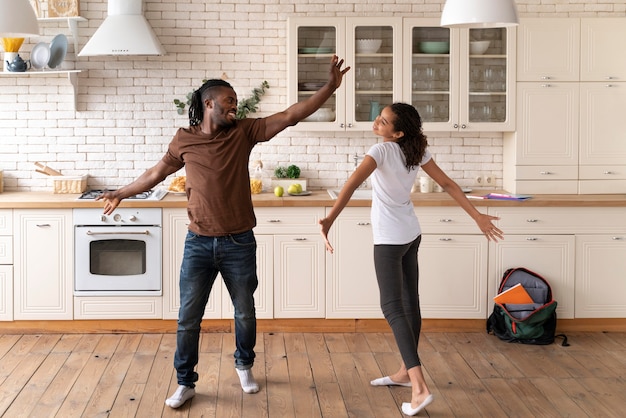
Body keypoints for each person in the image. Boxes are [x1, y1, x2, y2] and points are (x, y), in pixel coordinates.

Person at [96, 55, 350, 409]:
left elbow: (290, 115)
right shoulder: (184, 139)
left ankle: (244, 365)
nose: (236, 105)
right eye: (229, 100)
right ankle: (185, 382)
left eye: (236, 101)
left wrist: (329, 88)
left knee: (244, 311)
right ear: (209, 103)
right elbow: (155, 174)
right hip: (198, 242)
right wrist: (121, 192)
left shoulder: (244, 132)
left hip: (238, 242)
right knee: (188, 318)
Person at [318, 103, 503, 416]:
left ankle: (419, 387)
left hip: (390, 239)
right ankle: (405, 372)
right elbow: (447, 184)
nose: (377, 121)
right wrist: (476, 216)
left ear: (398, 132)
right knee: (410, 303)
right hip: (411, 235)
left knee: (391, 307)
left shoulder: (381, 150)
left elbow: (351, 184)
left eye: (385, 120)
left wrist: (329, 220)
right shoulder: (415, 151)